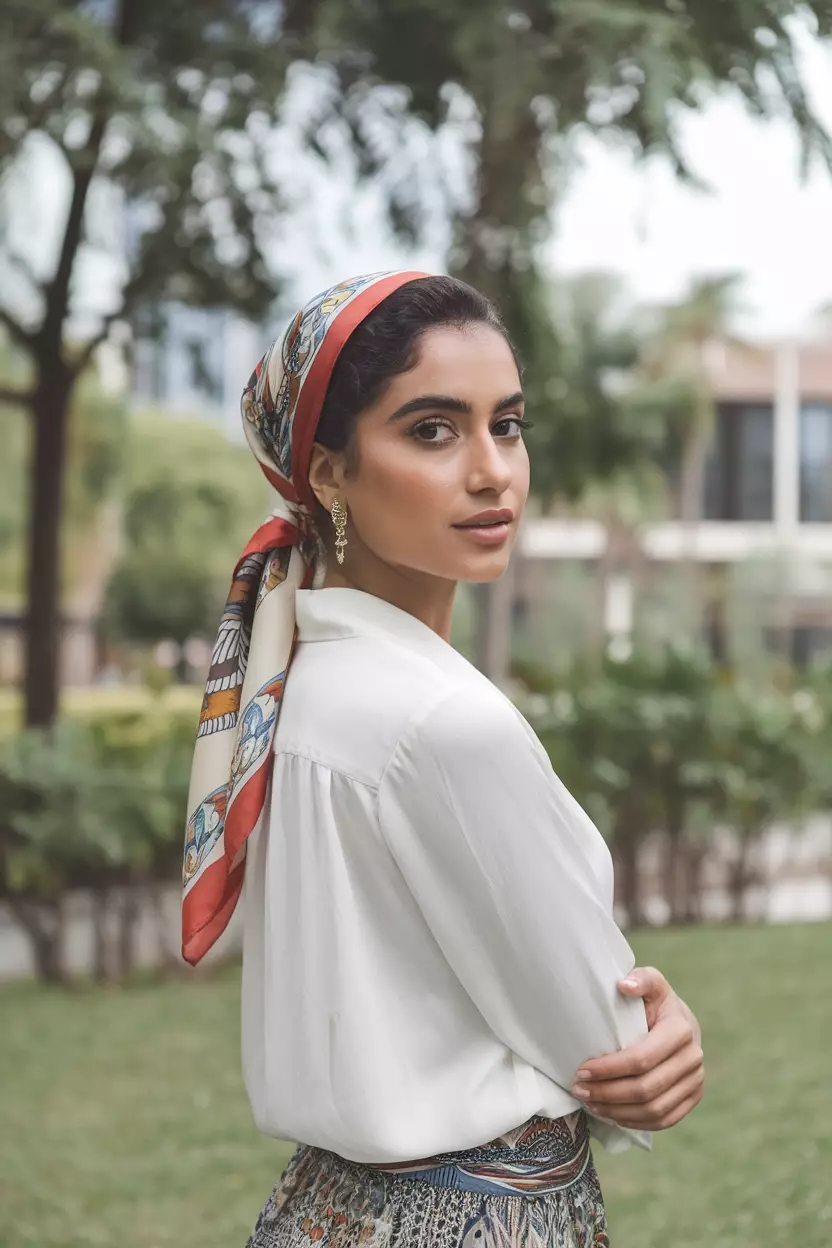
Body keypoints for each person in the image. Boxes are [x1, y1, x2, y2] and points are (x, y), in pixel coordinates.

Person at [181, 272, 704, 1247]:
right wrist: (661, 1031)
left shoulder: (296, 689)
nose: (490, 469)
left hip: (319, 1215)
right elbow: (610, 1051)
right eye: (431, 430)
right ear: (329, 470)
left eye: (505, 425)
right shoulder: (442, 721)